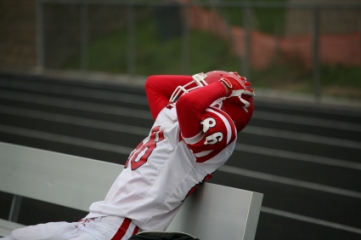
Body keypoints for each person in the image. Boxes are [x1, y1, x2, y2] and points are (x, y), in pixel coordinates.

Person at [2, 70, 255, 240]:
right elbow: (153, 84)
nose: (189, 87)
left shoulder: (223, 128)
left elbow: (188, 104)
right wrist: (207, 82)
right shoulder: (177, 123)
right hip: (94, 220)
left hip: (124, 228)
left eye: (199, 86)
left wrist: (222, 85)